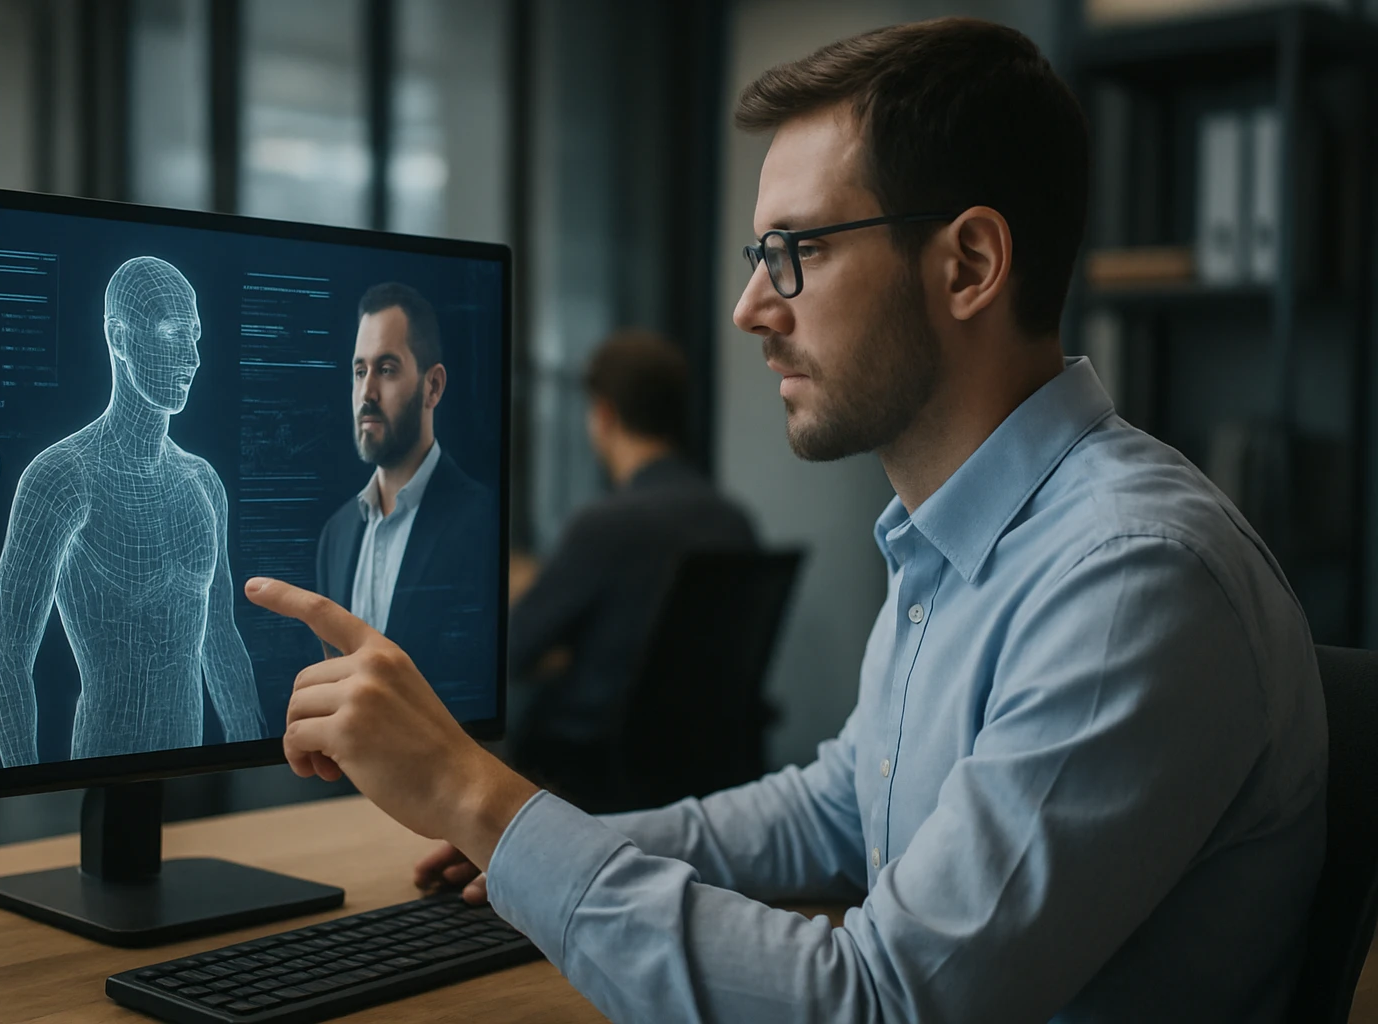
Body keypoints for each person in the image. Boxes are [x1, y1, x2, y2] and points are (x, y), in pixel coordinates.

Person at [241, 17, 1326, 1023]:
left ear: (969, 265)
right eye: (756, 258)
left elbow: (878, 1003)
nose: (750, 308)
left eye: (796, 252)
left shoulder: (1127, 581)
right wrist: (541, 840)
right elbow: (838, 809)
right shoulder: (955, 540)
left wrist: (478, 797)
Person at [0, 256, 265, 767]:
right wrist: (22, 783)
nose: (192, 357)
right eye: (172, 334)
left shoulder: (202, 483)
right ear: (118, 337)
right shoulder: (62, 477)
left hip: (190, 779)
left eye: (195, 336)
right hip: (102, 766)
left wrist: (257, 759)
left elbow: (221, 637)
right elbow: (8, 657)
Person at [507, 329, 756, 807]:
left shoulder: (604, 526)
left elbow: (515, 649)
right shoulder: (733, 521)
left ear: (603, 415)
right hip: (701, 774)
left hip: (588, 775)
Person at [315, 281, 493, 698]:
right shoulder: (335, 535)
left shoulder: (484, 523)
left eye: (387, 369)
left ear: (433, 387)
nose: (367, 393)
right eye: (360, 371)